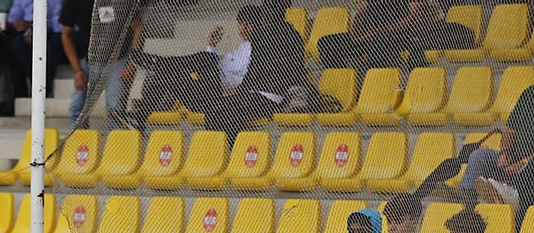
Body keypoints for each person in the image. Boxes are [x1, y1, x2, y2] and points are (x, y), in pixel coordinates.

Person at [129, 6, 304, 137]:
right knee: (169, 73)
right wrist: (212, 46)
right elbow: (221, 70)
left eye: (249, 24)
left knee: (205, 59)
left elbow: (248, 73)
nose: (244, 28)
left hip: (226, 94)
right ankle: (140, 118)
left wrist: (213, 58)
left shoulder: (261, 46)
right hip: (211, 91)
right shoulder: (239, 48)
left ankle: (160, 61)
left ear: (260, 24)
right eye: (241, 24)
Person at [317, 0, 473, 72]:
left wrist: (380, 31)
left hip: (399, 35)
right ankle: (344, 78)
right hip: (371, 35)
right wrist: (355, 34)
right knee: (326, 42)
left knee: (378, 42)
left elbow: (414, 17)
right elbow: (361, 12)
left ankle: (372, 84)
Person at [60, 0, 143, 124]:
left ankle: (117, 143)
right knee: (77, 109)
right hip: (89, 61)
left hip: (119, 60)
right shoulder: (74, 2)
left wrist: (132, 63)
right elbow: (66, 35)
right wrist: (77, 70)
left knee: (116, 111)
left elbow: (138, 28)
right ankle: (78, 141)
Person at [463, 84, 534, 219]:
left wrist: (522, 163)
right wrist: (503, 154)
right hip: (511, 156)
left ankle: (512, 194)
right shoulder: (529, 93)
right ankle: (467, 203)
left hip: (529, 164)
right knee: (479, 156)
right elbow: (510, 130)